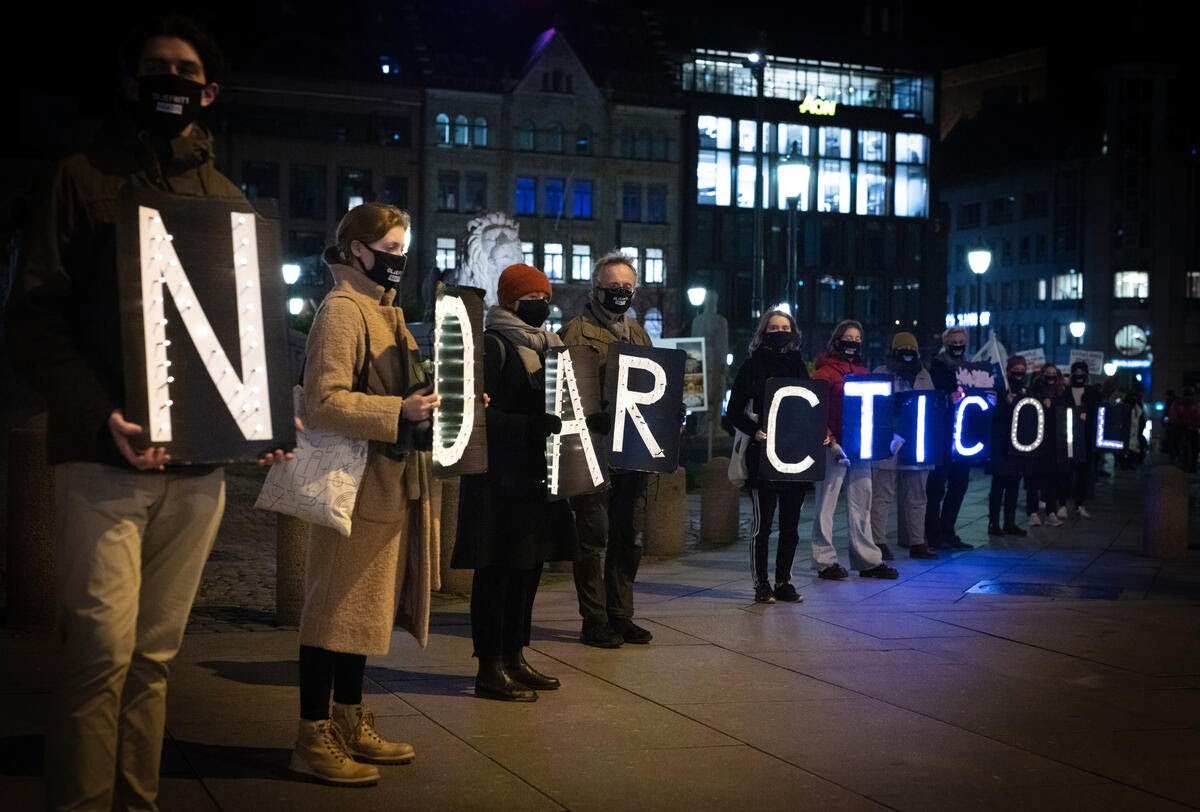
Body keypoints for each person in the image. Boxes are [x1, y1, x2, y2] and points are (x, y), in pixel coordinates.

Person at [4, 19, 265, 809]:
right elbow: (33, 318)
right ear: (129, 82)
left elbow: (239, 332)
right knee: (98, 654)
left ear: (209, 91)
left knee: (154, 658)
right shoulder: (80, 178)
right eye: (156, 68)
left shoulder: (226, 200)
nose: (171, 79)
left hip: (198, 470)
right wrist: (98, 415)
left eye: (186, 70)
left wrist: (262, 421)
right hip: (104, 460)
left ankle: (137, 799)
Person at [290, 202, 441, 786]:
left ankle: (348, 719)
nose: (399, 259)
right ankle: (312, 733)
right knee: (330, 613)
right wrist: (394, 410)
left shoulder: (386, 309)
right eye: (391, 249)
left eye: (404, 249)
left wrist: (438, 401)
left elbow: (405, 389)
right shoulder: (343, 309)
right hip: (352, 488)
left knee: (358, 615)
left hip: (383, 484)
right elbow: (322, 400)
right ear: (357, 249)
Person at [452, 263, 577, 701]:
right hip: (497, 483)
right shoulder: (492, 343)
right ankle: (490, 667)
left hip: (535, 481)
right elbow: (473, 412)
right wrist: (528, 426)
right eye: (531, 298)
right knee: (496, 576)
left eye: (545, 297)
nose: (541, 305)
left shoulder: (550, 345)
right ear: (510, 301)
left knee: (528, 572)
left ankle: (515, 656)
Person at [560, 251, 655, 647]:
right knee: (592, 539)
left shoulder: (638, 333)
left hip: (633, 454)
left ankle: (621, 614)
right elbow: (565, 393)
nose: (620, 294)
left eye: (626, 288)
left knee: (628, 538)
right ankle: (594, 619)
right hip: (594, 453)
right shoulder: (576, 332)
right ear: (595, 289)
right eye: (613, 288)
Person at [726, 309, 812, 603]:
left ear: (793, 332)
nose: (780, 332)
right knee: (762, 525)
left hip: (795, 457)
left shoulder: (799, 366)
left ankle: (784, 581)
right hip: (762, 458)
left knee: (790, 525)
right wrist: (754, 429)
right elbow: (732, 413)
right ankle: (761, 583)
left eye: (784, 327)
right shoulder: (752, 366)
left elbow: (811, 406)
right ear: (764, 332)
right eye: (774, 327)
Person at [810, 320, 899, 580]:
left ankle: (867, 559)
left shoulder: (862, 370)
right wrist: (830, 441)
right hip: (834, 445)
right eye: (848, 337)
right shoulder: (824, 373)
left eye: (857, 338)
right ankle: (824, 560)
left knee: (863, 502)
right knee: (826, 503)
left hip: (860, 445)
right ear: (837, 339)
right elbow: (818, 412)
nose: (853, 342)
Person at [870, 332, 939, 561]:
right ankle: (878, 541)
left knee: (917, 496)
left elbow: (929, 407)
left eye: (912, 348)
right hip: (888, 443)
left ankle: (917, 542)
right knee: (882, 496)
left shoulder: (923, 375)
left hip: (916, 445)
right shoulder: (882, 373)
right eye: (903, 348)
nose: (908, 353)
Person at [925, 327, 974, 551]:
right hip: (943, 436)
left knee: (959, 485)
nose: (957, 344)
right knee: (936, 487)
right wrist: (947, 398)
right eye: (953, 341)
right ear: (946, 343)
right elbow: (932, 396)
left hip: (965, 437)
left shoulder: (972, 369)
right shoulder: (936, 366)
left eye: (961, 341)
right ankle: (933, 534)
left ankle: (948, 530)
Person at [986, 355, 1030, 537]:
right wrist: (1005, 404)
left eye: (1022, 369)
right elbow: (992, 414)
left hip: (1018, 444)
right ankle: (994, 522)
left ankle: (1009, 522)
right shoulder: (1000, 388)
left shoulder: (1026, 390)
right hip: (1001, 444)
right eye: (1016, 369)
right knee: (999, 484)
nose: (1019, 372)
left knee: (1014, 484)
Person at [1026, 364, 1066, 527]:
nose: (1050, 376)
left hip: (1053, 442)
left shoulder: (1061, 393)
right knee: (1033, 479)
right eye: (1047, 373)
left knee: (1051, 479)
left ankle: (1051, 512)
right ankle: (1033, 512)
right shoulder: (1034, 392)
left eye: (1053, 374)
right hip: (1036, 441)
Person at [1063, 361, 1102, 518]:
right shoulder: (1065, 391)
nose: (1079, 375)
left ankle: (1080, 504)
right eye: (1076, 372)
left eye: (1082, 372)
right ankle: (1062, 504)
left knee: (1083, 474)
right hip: (1068, 438)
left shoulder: (1092, 392)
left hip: (1085, 439)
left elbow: (1098, 410)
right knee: (1066, 471)